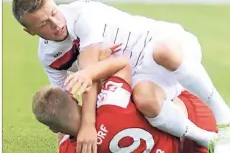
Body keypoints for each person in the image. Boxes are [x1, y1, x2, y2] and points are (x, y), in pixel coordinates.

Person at [12, 0, 230, 153]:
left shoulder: (82, 15)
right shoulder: (48, 57)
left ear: (53, 2)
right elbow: (64, 103)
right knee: (145, 101)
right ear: (30, 31)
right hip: (137, 76)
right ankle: (208, 140)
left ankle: (227, 119)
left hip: (160, 43)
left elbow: (89, 73)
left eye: (53, 13)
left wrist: (90, 127)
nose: (56, 24)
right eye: (43, 24)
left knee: (164, 52)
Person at [33, 50, 216, 153]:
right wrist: (94, 72)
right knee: (143, 94)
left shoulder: (70, 151)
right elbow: (122, 64)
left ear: (53, 128)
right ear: (74, 97)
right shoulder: (111, 103)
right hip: (195, 119)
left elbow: (63, 139)